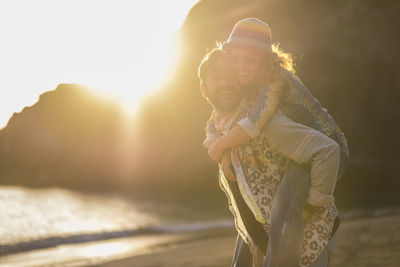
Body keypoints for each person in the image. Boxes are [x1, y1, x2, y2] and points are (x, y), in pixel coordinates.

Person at [199, 18, 348, 267]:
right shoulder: (232, 116)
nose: (239, 69)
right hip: (263, 229)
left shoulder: (270, 106)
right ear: (204, 89)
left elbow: (327, 150)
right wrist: (220, 146)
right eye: (234, 61)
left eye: (250, 60)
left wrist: (314, 204)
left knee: (284, 208)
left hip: (323, 152)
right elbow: (213, 128)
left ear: (265, 62)